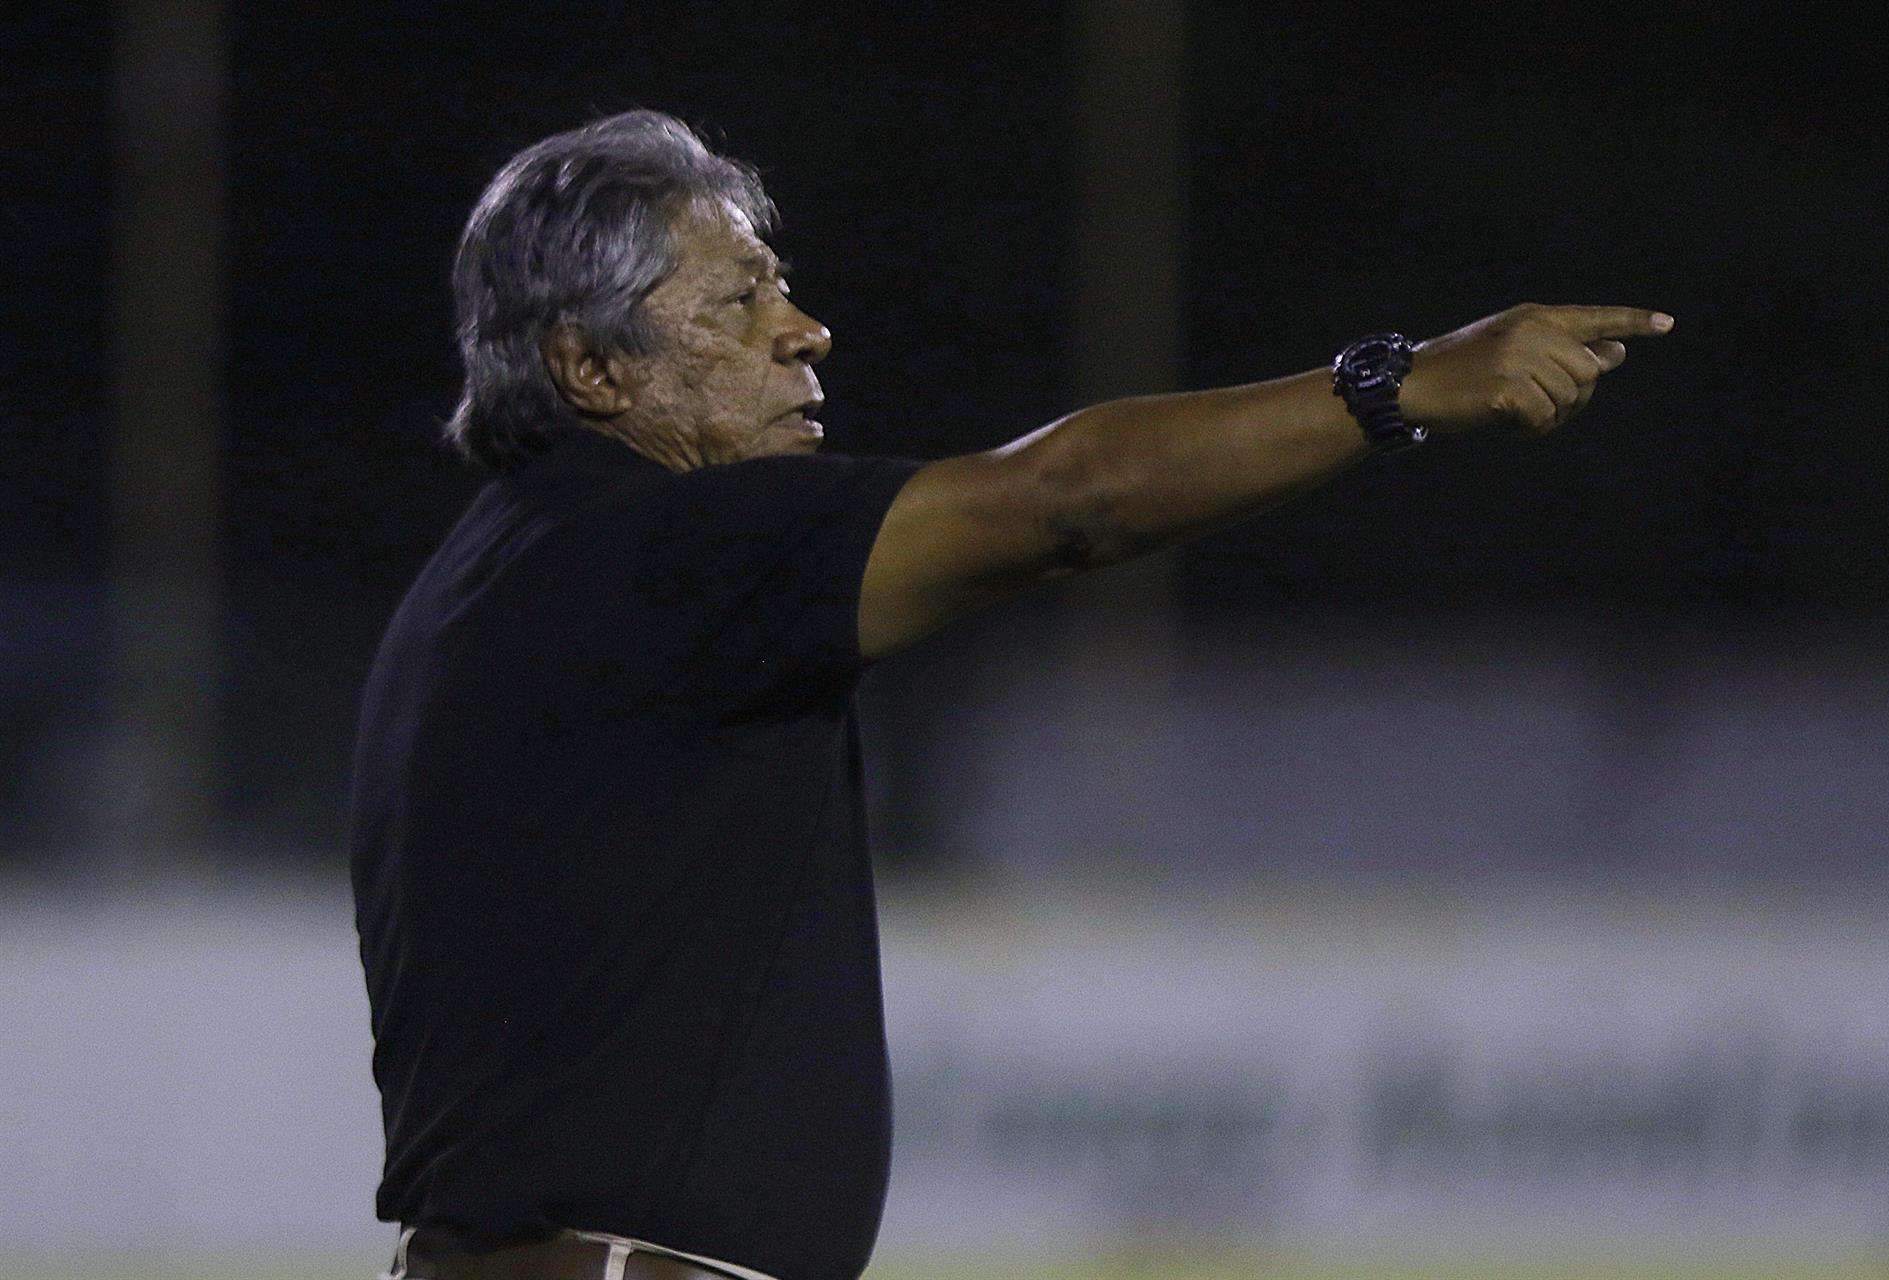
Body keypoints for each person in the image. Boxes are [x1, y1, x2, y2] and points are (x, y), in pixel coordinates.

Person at [348, 108, 1673, 1280]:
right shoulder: (663, 552)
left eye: (781, 287)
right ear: (593, 370)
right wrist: (1394, 387)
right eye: (739, 302)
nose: (804, 329)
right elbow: (1067, 503)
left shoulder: (486, 586)